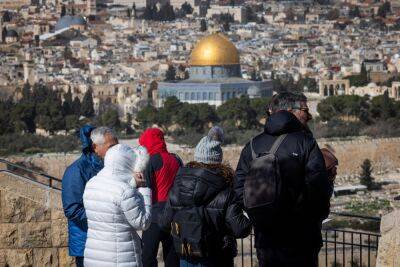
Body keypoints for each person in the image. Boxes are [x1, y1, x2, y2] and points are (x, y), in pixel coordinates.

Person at [234, 92, 333, 267]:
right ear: (290, 111)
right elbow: (319, 187)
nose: (308, 115)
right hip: (301, 236)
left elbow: (239, 188)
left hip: (265, 237)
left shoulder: (251, 145)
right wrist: (312, 218)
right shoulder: (305, 143)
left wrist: (259, 214)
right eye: (304, 109)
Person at [159, 126, 251, 267]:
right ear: (218, 159)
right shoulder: (226, 189)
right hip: (218, 257)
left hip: (187, 255)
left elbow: (164, 223)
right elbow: (240, 228)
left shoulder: (177, 188)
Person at [83, 144, 152, 267]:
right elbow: (143, 223)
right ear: (128, 164)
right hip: (121, 259)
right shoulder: (125, 191)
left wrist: (131, 184)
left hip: (94, 257)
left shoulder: (91, 184)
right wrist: (144, 190)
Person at [62, 126, 118, 267]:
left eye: (117, 145)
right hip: (86, 245)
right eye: (112, 146)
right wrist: (105, 216)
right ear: (95, 147)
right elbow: (72, 210)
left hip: (108, 243)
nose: (116, 150)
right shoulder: (75, 171)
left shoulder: (110, 168)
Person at [139, 128, 181, 267]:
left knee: (148, 257)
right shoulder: (176, 159)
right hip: (175, 215)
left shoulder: (151, 160)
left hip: (155, 216)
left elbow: (146, 188)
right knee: (172, 257)